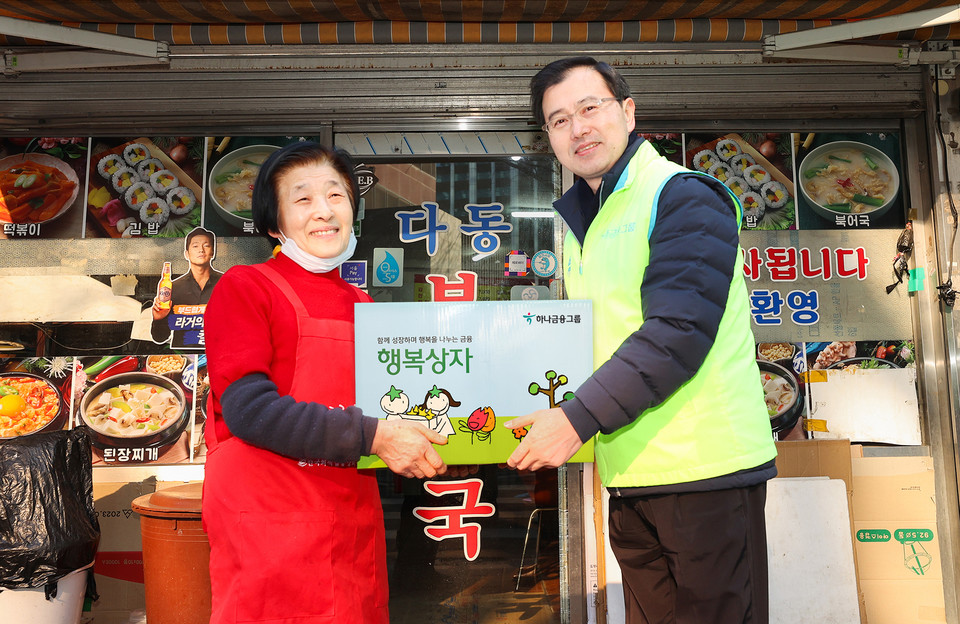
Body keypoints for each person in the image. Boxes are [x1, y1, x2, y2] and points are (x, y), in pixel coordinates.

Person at [505, 57, 778, 624]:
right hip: (634, 475)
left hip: (706, 473)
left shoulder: (680, 196)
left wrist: (575, 419)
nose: (577, 128)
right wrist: (552, 406)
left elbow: (676, 332)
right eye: (558, 121)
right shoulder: (592, 219)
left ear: (628, 113)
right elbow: (609, 340)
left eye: (590, 108)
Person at [202, 141, 449, 624]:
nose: (324, 211)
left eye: (336, 196)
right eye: (303, 199)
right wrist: (375, 436)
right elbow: (250, 410)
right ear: (274, 222)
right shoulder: (245, 287)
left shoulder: (362, 303)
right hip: (271, 526)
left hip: (351, 520)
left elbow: (393, 406)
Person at [150, 226, 222, 348]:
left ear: (213, 252)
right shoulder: (173, 288)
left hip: (219, 353)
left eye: (206, 245)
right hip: (183, 355)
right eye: (195, 246)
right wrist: (159, 319)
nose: (201, 250)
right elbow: (160, 338)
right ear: (187, 254)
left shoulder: (227, 283)